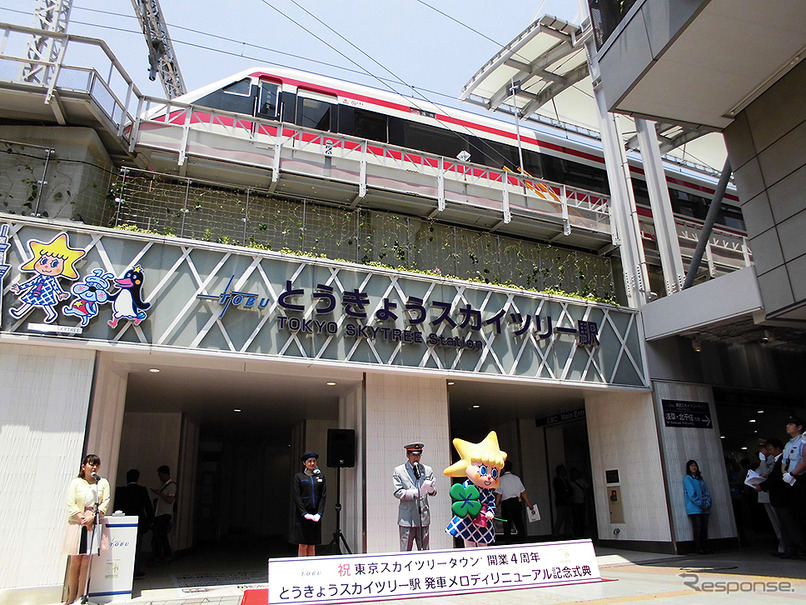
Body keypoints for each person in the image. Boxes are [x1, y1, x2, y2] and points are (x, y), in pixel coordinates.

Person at [61, 454, 110, 605]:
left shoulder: (102, 483)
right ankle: (71, 595)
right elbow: (71, 503)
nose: (94, 467)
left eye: (97, 465)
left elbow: (105, 502)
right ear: (84, 467)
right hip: (78, 522)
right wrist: (81, 518)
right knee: (75, 558)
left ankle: (81, 596)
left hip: (93, 521)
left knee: (86, 560)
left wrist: (93, 516)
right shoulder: (76, 483)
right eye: (91, 464)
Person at [444, 431, 506, 548]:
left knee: (483, 544)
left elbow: (491, 502)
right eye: (483, 470)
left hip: (483, 520)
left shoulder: (488, 491)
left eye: (494, 472)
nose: (489, 476)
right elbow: (460, 499)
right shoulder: (467, 486)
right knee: (469, 544)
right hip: (468, 519)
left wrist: (490, 512)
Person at [757, 437, 805, 559]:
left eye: (770, 449)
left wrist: (762, 486)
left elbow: (776, 478)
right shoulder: (776, 460)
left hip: (784, 498)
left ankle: (799, 549)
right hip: (778, 498)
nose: (769, 452)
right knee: (784, 525)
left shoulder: (783, 460)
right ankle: (790, 548)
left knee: (790, 525)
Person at [393, 442, 437, 550]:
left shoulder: (427, 470)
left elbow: (433, 491)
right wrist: (415, 493)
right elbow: (397, 492)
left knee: (424, 550)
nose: (416, 458)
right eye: (413, 455)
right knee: (405, 550)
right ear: (407, 455)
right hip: (407, 517)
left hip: (423, 516)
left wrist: (431, 490)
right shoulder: (399, 471)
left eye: (418, 455)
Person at [114, 469, 153, 576]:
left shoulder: (120, 491)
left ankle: (122, 568)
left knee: (123, 546)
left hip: (124, 521)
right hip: (139, 521)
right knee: (137, 546)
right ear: (137, 478)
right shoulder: (141, 490)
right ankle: (136, 570)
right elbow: (147, 506)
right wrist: (151, 520)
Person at [292, 452, 327, 556]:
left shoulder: (321, 476)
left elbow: (323, 496)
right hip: (302, 515)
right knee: (303, 544)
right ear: (304, 463)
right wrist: (304, 513)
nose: (312, 463)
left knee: (312, 544)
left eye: (314, 461)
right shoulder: (299, 477)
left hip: (315, 514)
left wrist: (319, 513)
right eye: (309, 461)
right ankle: (302, 567)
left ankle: (311, 567)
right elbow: (297, 496)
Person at [755, 438, 785, 556]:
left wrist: (763, 462)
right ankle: (781, 544)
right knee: (775, 522)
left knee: (780, 522)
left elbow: (767, 473)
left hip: (773, 494)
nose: (763, 451)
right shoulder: (765, 460)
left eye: (765, 449)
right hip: (764, 495)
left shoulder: (774, 459)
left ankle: (784, 545)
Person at [494, 460, 535, 544]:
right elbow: (523, 492)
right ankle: (522, 540)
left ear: (503, 469)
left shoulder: (501, 479)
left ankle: (508, 541)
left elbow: (499, 494)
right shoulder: (517, 478)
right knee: (519, 522)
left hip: (506, 504)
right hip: (516, 502)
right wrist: (529, 504)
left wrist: (496, 505)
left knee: (507, 524)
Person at [684, 459, 712, 554]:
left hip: (705, 508)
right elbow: (692, 494)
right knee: (698, 527)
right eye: (691, 466)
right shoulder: (688, 479)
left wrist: (707, 503)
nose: (694, 467)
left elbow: (707, 492)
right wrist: (700, 504)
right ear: (688, 468)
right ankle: (698, 547)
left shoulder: (700, 479)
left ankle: (705, 546)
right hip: (694, 508)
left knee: (704, 527)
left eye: (695, 465)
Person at [149, 465, 176, 564]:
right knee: (160, 536)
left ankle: (163, 555)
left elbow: (170, 499)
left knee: (160, 536)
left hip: (165, 514)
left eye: (161, 475)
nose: (160, 478)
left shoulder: (171, 485)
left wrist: (160, 493)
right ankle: (162, 555)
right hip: (160, 513)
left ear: (166, 474)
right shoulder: (164, 485)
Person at [552, 464, 572, 538]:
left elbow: (570, 489)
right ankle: (556, 534)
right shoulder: (556, 480)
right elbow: (559, 491)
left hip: (567, 501)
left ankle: (566, 533)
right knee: (560, 518)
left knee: (568, 518)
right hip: (561, 502)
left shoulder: (565, 480)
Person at [569, 467, 589, 538]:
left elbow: (586, 490)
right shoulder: (570, 483)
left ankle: (582, 532)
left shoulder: (582, 481)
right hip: (575, 502)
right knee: (575, 518)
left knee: (582, 518)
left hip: (582, 501)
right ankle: (576, 532)